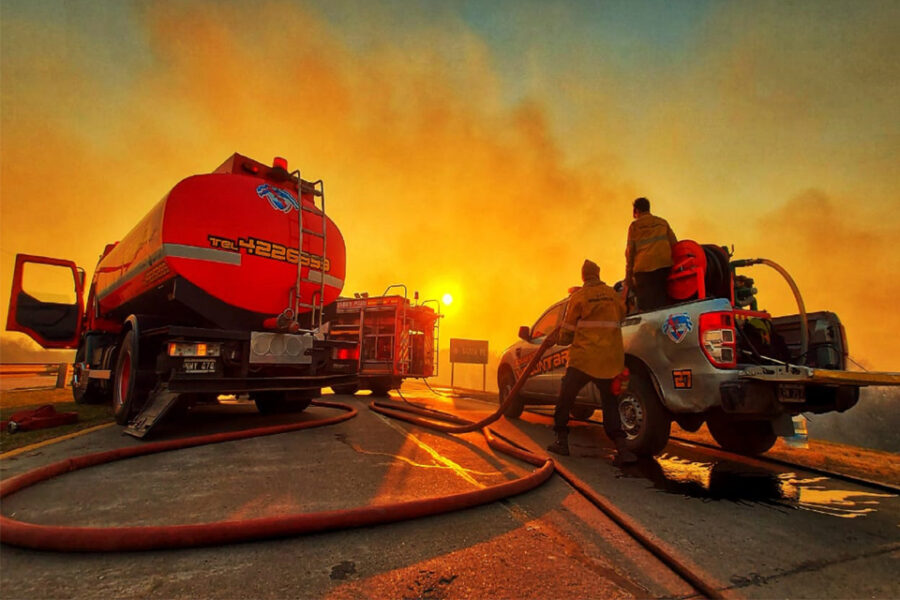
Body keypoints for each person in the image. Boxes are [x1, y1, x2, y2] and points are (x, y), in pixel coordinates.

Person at [547, 259, 637, 465]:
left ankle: (561, 441)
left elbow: (567, 334)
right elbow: (624, 314)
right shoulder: (613, 297)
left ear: (583, 276)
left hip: (583, 360)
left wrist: (558, 338)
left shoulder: (579, 297)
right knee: (610, 403)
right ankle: (622, 449)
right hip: (609, 361)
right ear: (598, 274)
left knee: (566, 397)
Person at [625, 197, 677, 312]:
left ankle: (650, 327)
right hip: (663, 268)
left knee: (646, 307)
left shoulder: (634, 227)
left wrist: (628, 277)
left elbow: (630, 253)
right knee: (662, 302)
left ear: (636, 211)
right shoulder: (662, 222)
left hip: (643, 272)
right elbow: (675, 244)